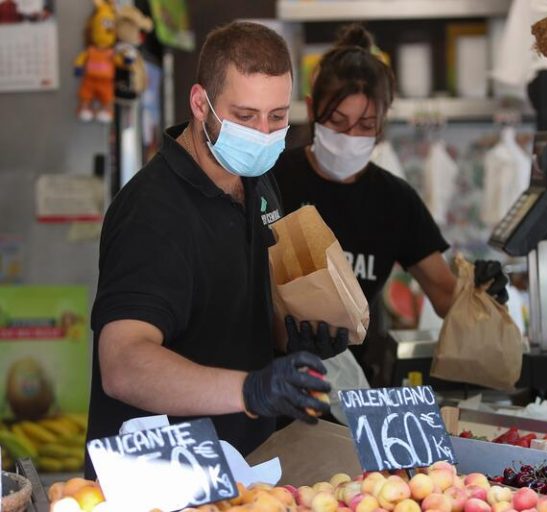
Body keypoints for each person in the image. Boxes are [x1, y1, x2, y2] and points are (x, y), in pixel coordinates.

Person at [85, 21, 348, 479]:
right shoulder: (151, 213)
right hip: (159, 479)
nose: (264, 133)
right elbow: (123, 363)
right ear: (199, 103)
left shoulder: (257, 179)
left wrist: (290, 340)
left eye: (277, 116)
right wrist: (250, 390)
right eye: (245, 117)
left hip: (245, 468)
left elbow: (239, 307)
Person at [272, 24, 508, 384]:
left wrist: (483, 291)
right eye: (338, 122)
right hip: (266, 379)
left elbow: (445, 295)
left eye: (365, 125)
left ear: (382, 124)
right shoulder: (274, 180)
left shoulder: (394, 201)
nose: (350, 137)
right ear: (311, 108)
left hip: (347, 387)